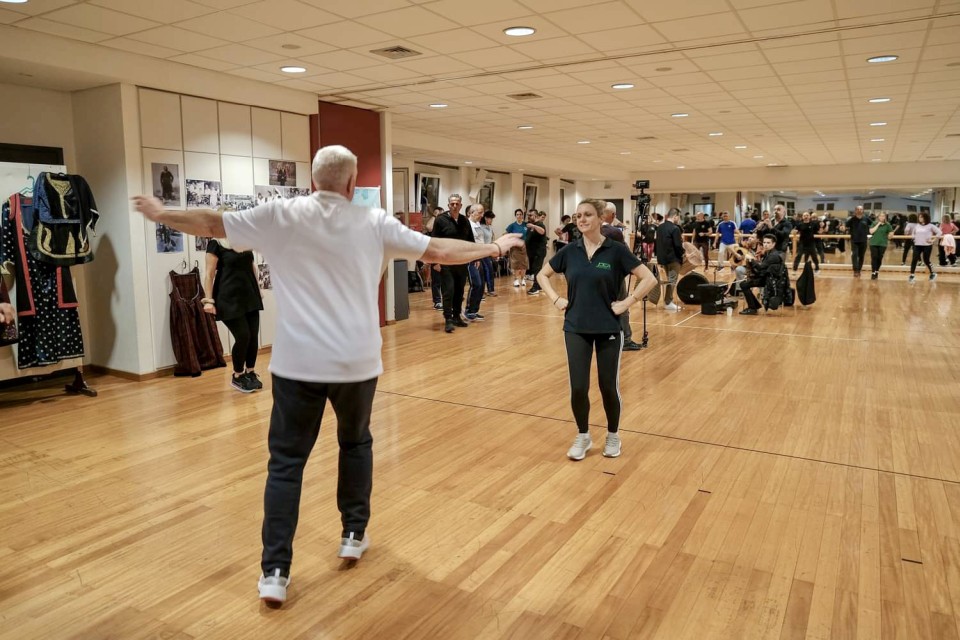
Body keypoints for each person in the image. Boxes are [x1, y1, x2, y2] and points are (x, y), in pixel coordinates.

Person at [132, 145, 522, 606]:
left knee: (286, 464)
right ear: (352, 184)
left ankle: (275, 572)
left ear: (314, 180)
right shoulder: (373, 222)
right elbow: (439, 250)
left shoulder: (281, 215)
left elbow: (212, 224)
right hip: (356, 363)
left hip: (297, 364)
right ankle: (353, 534)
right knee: (354, 443)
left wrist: (161, 214)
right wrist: (495, 246)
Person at [535, 199, 657, 461]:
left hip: (608, 328)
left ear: (601, 218)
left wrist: (627, 302)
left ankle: (613, 435)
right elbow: (541, 275)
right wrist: (556, 299)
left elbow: (649, 278)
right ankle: (583, 435)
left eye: (587, 215)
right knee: (578, 387)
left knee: (607, 386)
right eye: (578, 215)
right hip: (575, 327)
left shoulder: (616, 250)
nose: (581, 219)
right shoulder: (570, 251)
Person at [203, 238, 264, 392]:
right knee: (243, 336)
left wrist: (258, 289)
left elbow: (252, 266)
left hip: (249, 294)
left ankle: (250, 372)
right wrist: (208, 301)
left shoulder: (244, 240)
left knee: (253, 336)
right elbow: (209, 274)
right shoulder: (216, 244)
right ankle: (237, 375)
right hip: (228, 297)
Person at [601, 201, 642, 351]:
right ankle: (626, 339)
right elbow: (625, 253)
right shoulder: (614, 232)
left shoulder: (592, 230)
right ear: (613, 215)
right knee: (623, 306)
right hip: (614, 276)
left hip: (596, 276)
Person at [432, 194, 473, 333]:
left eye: (457, 204)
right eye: (452, 204)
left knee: (459, 291)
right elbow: (434, 242)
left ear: (461, 205)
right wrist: (435, 262)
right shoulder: (440, 220)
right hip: (445, 262)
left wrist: (475, 258)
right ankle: (448, 319)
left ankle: (456, 316)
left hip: (461, 262)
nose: (454, 206)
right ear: (448, 205)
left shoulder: (465, 221)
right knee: (448, 290)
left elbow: (470, 241)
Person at [739, 234, 785, 315]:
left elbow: (760, 267)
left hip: (771, 281)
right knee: (744, 283)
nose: (765, 245)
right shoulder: (769, 253)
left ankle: (753, 308)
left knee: (744, 285)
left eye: (768, 243)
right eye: (764, 242)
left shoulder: (773, 256)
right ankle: (755, 306)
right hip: (767, 277)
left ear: (773, 244)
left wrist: (751, 259)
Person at [655, 209, 684, 312]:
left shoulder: (660, 227)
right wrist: (683, 254)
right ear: (675, 216)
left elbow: (657, 243)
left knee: (669, 279)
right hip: (673, 258)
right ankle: (668, 302)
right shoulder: (675, 228)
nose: (678, 219)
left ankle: (668, 301)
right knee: (672, 280)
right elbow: (677, 245)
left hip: (663, 258)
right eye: (678, 217)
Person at [464, 204, 486, 321]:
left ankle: (474, 310)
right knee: (476, 284)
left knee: (481, 285)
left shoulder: (478, 224)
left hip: (480, 258)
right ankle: (469, 311)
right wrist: (474, 258)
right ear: (471, 212)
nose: (482, 215)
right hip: (471, 259)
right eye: (480, 213)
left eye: (482, 212)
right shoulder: (467, 225)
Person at [909, 212, 941, 282]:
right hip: (917, 245)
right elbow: (913, 233)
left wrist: (933, 240)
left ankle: (933, 273)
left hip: (927, 245)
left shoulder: (930, 226)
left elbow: (939, 232)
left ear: (925, 218)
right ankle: (912, 275)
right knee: (914, 259)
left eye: (921, 217)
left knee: (926, 260)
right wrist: (913, 238)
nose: (920, 218)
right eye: (919, 217)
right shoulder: (917, 226)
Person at [525, 209, 547, 295]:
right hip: (532, 252)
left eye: (530, 215)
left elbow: (542, 231)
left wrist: (533, 226)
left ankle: (535, 288)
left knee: (536, 269)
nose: (529, 217)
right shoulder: (531, 225)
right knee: (535, 269)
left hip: (538, 252)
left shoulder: (539, 224)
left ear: (536, 216)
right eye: (528, 215)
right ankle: (539, 286)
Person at [425, 206, 443, 310]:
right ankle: (437, 301)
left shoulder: (445, 225)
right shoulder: (433, 225)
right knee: (436, 280)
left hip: (446, 255)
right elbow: (428, 227)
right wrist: (434, 215)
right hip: (436, 255)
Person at [505, 208, 529, 287]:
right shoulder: (512, 225)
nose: (519, 216)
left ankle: (523, 279)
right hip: (515, 247)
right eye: (517, 214)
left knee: (524, 264)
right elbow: (506, 234)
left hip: (524, 247)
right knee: (516, 264)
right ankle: (516, 280)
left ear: (522, 215)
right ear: (515, 216)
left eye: (520, 214)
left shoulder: (526, 225)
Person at [868, 212, 893, 279]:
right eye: (880, 216)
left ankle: (877, 271)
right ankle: (873, 272)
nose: (882, 217)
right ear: (878, 217)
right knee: (874, 257)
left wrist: (890, 235)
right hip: (873, 243)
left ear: (885, 217)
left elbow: (891, 233)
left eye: (883, 216)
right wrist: (878, 224)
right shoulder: (874, 223)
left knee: (879, 258)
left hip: (882, 244)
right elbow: (871, 231)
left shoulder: (888, 225)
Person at [846, 206, 869, 277]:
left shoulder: (866, 219)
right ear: (855, 211)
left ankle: (859, 270)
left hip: (863, 240)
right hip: (854, 241)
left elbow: (873, 225)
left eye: (861, 209)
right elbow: (845, 225)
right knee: (854, 255)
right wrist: (842, 227)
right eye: (858, 209)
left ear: (863, 210)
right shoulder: (852, 219)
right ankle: (855, 270)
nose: (859, 210)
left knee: (861, 256)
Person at [480, 211, 498, 296]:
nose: (491, 220)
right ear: (486, 218)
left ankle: (488, 289)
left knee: (488, 270)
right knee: (487, 269)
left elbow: (491, 240)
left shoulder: (490, 227)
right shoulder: (481, 227)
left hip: (489, 251)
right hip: (482, 251)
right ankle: (489, 290)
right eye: (491, 218)